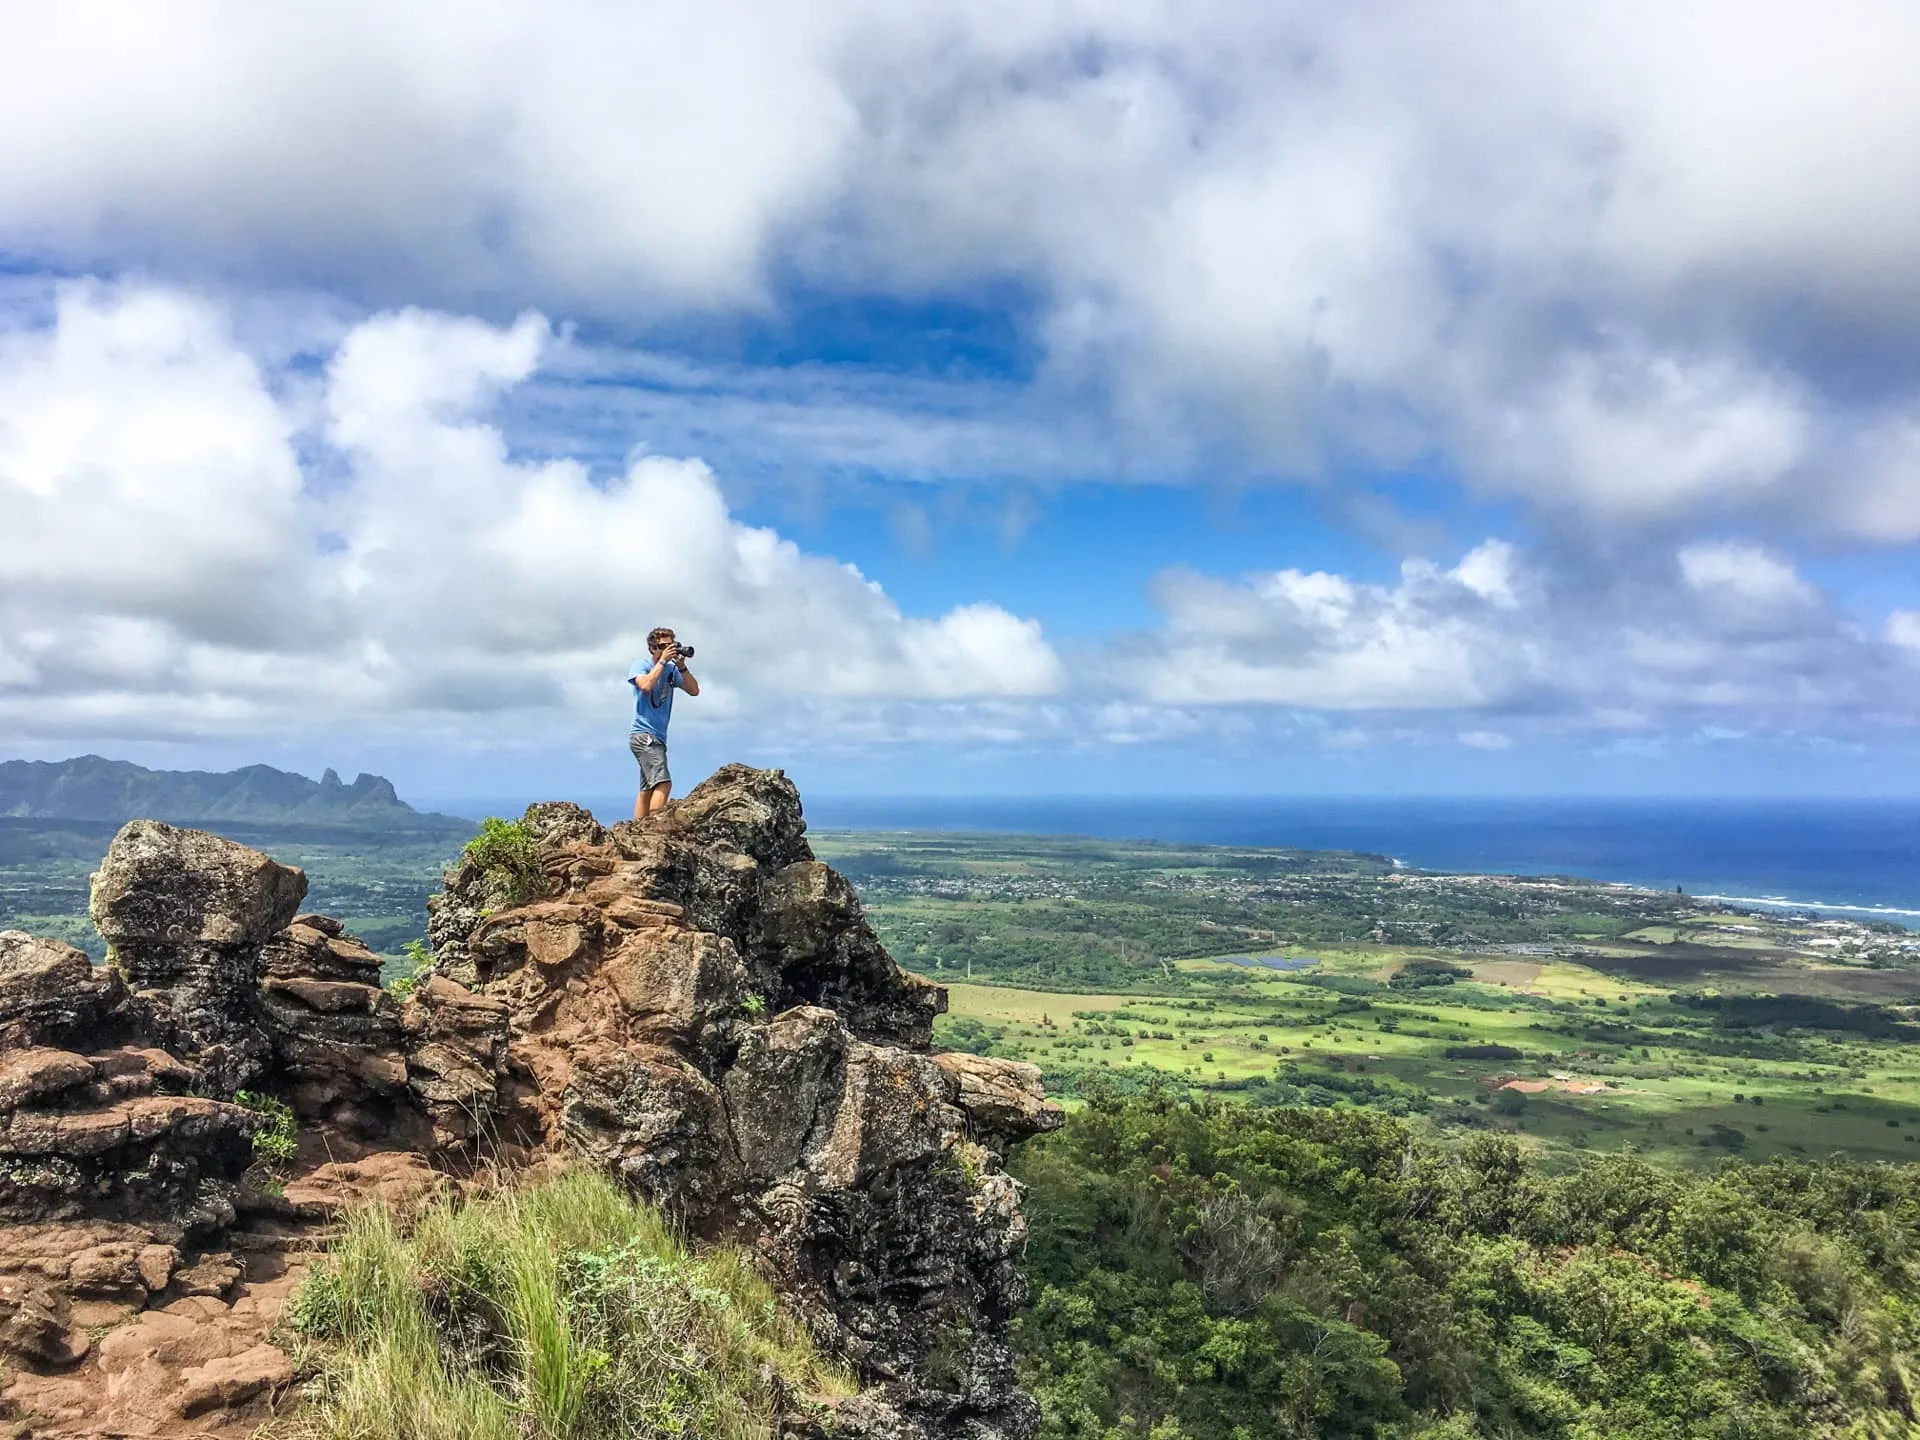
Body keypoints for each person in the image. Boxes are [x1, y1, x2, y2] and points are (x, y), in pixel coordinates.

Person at [629, 626, 700, 819]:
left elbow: (694, 690)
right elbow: (645, 685)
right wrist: (661, 662)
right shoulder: (641, 665)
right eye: (663, 646)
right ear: (652, 648)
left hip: (657, 737)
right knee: (663, 784)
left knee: (647, 790)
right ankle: (653, 827)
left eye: (671, 645)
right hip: (644, 735)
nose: (668, 649)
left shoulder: (671, 670)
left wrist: (682, 666)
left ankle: (636, 830)